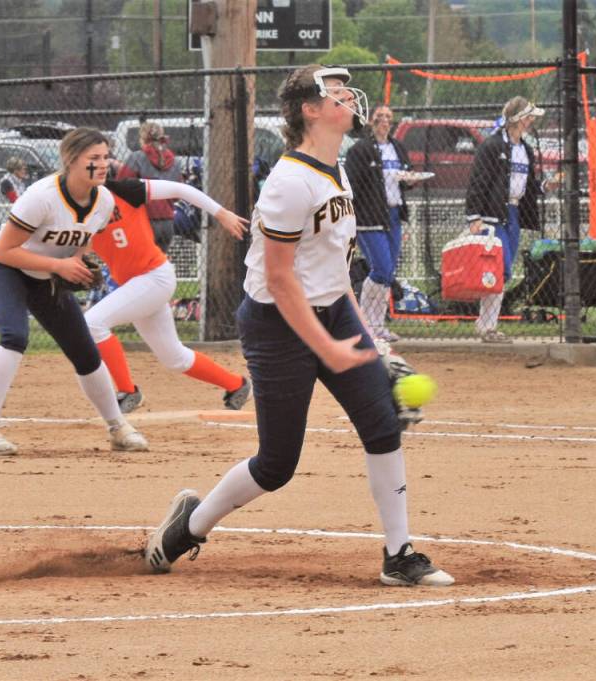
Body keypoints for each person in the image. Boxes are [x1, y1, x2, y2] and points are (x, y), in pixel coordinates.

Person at [144, 65, 453, 587]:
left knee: (382, 425)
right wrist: (327, 349)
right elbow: (281, 281)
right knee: (277, 464)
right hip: (276, 325)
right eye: (336, 94)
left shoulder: (338, 170)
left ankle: (399, 555)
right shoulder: (289, 182)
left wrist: (368, 342)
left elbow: (336, 273)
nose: (348, 99)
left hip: (331, 310)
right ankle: (188, 526)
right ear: (310, 110)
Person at [0, 127, 148, 456]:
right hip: (5, 268)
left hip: (48, 275)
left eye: (106, 156)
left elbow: (81, 241)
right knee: (14, 336)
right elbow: (3, 252)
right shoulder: (42, 196)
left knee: (84, 350)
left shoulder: (103, 200)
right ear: (70, 160)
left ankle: (117, 426)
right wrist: (60, 267)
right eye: (94, 158)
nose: (103, 163)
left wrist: (78, 264)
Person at [87, 170, 252, 413]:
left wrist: (221, 213)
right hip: (136, 287)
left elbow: (180, 189)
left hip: (154, 278)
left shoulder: (126, 191)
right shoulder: (77, 209)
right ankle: (236, 385)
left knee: (92, 323)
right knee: (175, 359)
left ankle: (128, 392)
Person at [465, 96, 554, 343]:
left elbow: (527, 184)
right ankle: (487, 326)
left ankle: (487, 326)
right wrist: (474, 216)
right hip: (492, 215)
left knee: (503, 273)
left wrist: (546, 185)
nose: (532, 121)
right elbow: (478, 182)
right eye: (528, 116)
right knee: (499, 268)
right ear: (517, 119)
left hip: (513, 214)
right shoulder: (492, 146)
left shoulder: (524, 149)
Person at [344, 103, 424, 343]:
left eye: (388, 117)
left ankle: (377, 327)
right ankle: (366, 324)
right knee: (381, 269)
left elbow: (405, 176)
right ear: (370, 121)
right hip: (369, 217)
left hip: (393, 214)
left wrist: (409, 181)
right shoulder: (361, 150)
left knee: (388, 273)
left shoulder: (397, 147)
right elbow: (352, 186)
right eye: (379, 117)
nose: (384, 121)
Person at [117, 121, 182, 253]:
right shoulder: (174, 161)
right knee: (159, 263)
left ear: (143, 139)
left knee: (141, 262)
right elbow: (177, 195)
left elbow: (122, 186)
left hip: (144, 220)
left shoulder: (137, 158)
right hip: (167, 222)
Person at [0, 156, 29, 228]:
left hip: (17, 218)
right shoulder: (6, 182)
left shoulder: (20, 182)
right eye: (22, 169)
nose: (24, 171)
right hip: (4, 220)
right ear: (15, 170)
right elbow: (15, 200)